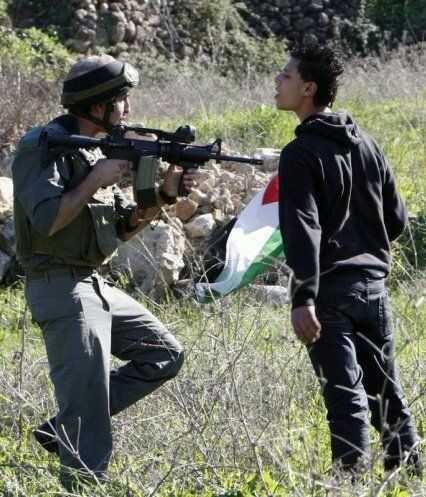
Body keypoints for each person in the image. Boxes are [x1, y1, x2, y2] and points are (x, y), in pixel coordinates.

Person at [12, 54, 196, 489]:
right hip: (59, 286)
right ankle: (83, 481)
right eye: (122, 100)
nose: (128, 109)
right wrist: (95, 178)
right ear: (98, 107)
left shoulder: (96, 150)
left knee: (164, 354)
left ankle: (65, 426)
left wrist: (164, 195)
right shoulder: (42, 147)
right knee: (87, 397)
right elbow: (48, 220)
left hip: (92, 282)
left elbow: (123, 227)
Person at [275, 44, 422, 476]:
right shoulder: (368, 144)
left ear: (308, 88)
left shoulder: (299, 154)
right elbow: (397, 219)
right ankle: (410, 475)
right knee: (386, 393)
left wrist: (303, 297)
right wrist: (367, 248)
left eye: (286, 75)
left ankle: (349, 482)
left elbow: (302, 228)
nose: (277, 81)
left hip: (329, 294)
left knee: (345, 397)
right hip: (374, 289)